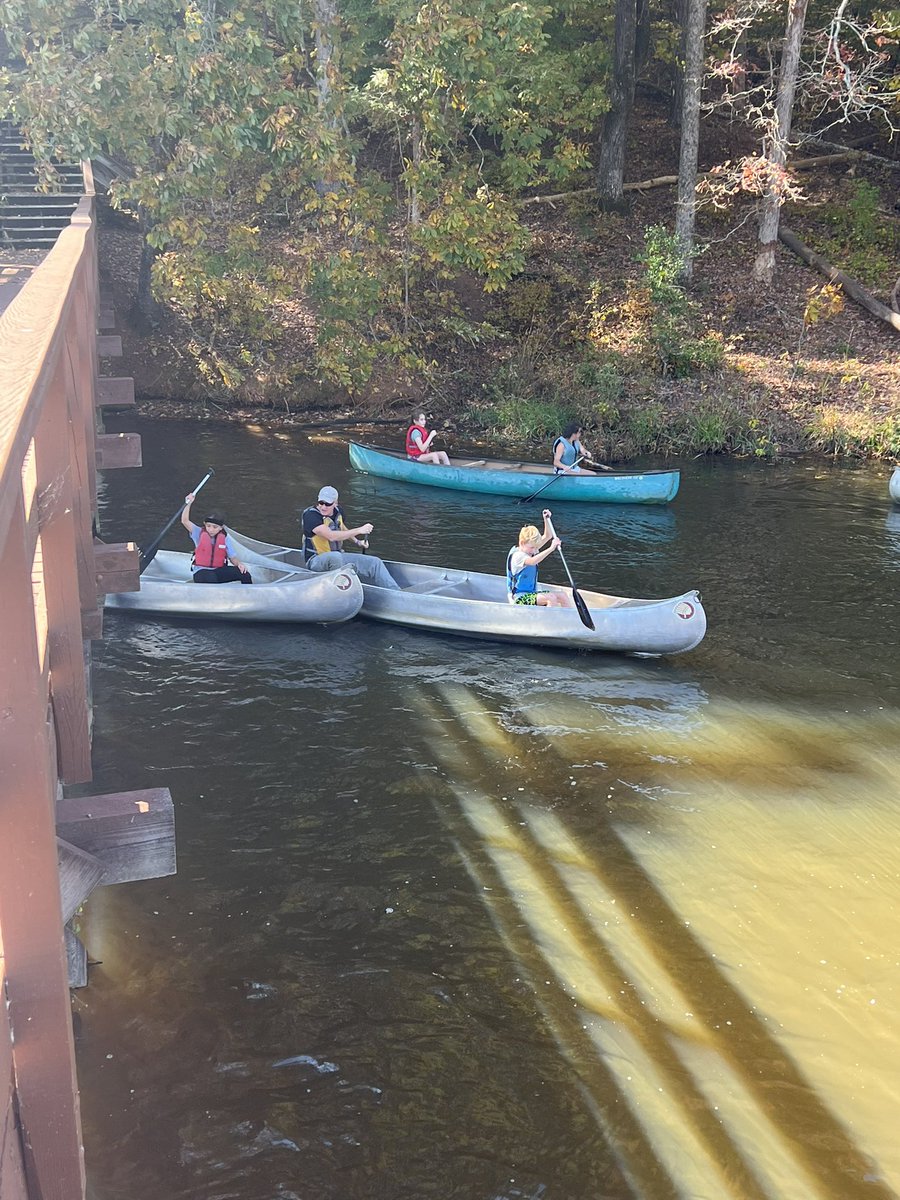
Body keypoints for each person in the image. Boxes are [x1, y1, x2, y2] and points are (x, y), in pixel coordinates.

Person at [300, 486, 400, 589]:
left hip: (337, 558)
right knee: (335, 557)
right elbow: (331, 536)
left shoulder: (339, 512)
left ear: (335, 503)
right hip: (315, 561)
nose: (323, 507)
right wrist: (359, 530)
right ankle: (340, 589)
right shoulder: (310, 516)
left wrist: (357, 542)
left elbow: (342, 528)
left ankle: (396, 593)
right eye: (321, 503)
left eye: (328, 504)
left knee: (375, 563)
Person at [181, 494, 253, 584]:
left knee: (244, 574)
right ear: (205, 524)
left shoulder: (224, 537)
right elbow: (185, 521)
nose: (211, 529)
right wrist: (189, 503)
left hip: (218, 570)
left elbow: (232, 557)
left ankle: (247, 595)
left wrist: (239, 564)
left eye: (215, 527)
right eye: (208, 526)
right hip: (201, 572)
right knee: (211, 578)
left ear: (221, 527)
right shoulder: (198, 532)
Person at [506, 510, 571, 607]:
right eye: (532, 547)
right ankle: (549, 621)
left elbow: (548, 536)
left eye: (536, 547)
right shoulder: (518, 556)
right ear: (522, 543)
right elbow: (532, 561)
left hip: (532, 593)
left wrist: (546, 519)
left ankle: (568, 619)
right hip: (519, 597)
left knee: (563, 596)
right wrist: (551, 548)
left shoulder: (530, 549)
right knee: (551, 598)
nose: (535, 550)